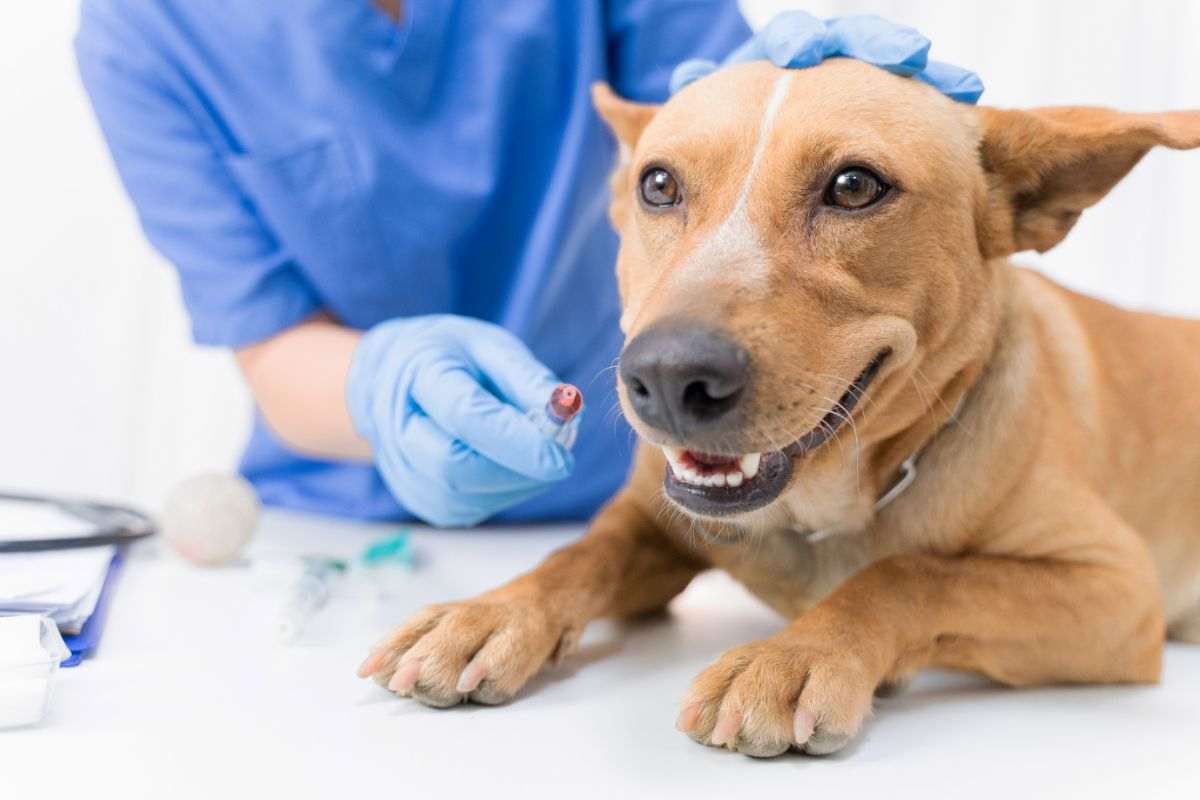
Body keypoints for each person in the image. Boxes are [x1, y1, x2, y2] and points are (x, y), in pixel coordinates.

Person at [75, 1, 979, 527]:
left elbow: (708, 136)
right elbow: (272, 348)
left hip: (634, 488)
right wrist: (386, 387)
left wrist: (809, 124)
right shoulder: (145, 28)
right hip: (336, 510)